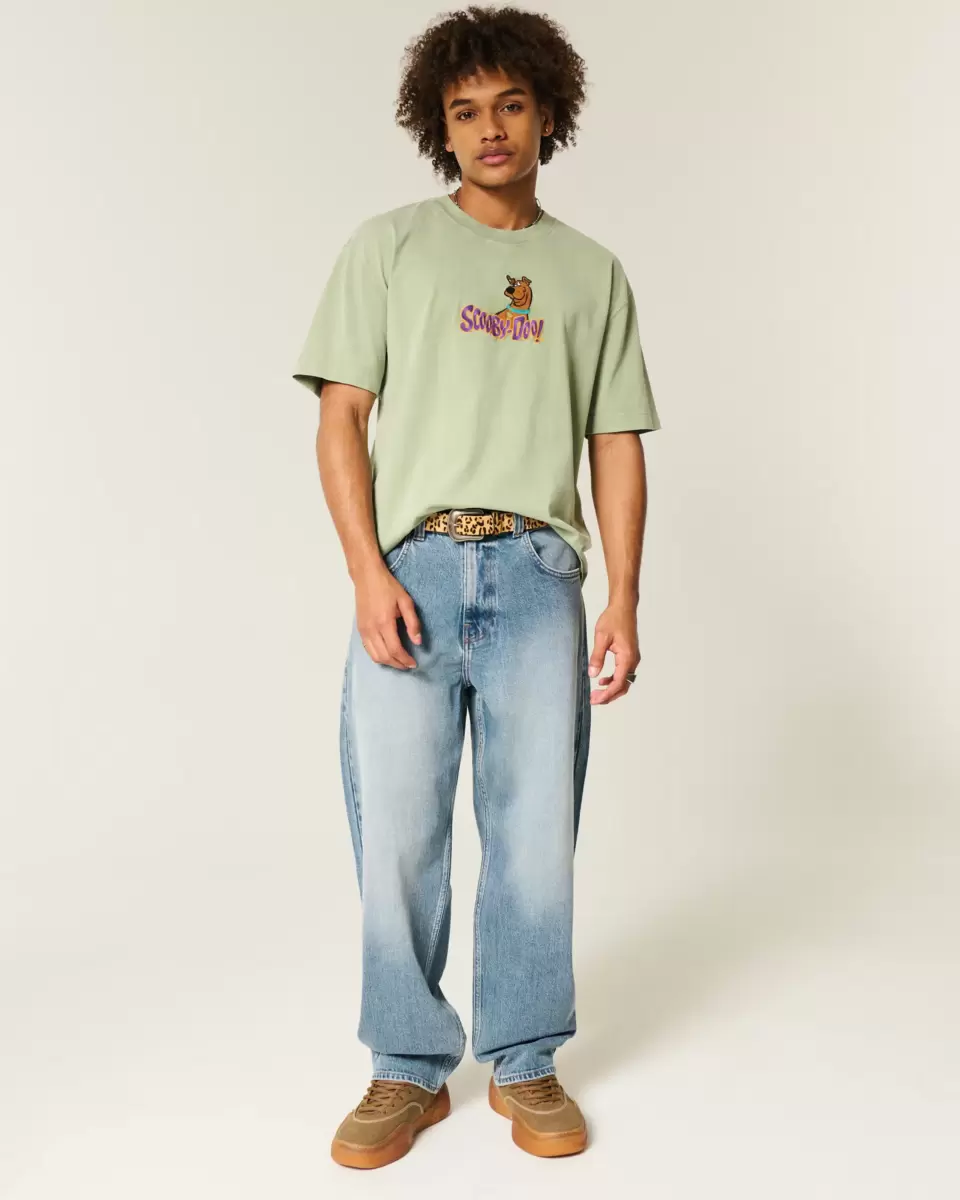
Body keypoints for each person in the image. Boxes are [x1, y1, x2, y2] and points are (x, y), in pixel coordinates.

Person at [291, 3, 660, 1169]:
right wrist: (366, 572)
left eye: (510, 104)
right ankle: (406, 1067)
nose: (489, 127)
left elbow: (615, 441)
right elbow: (341, 418)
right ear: (438, 128)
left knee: (535, 830)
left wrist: (623, 595)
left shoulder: (591, 274)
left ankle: (526, 1055)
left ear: (548, 115)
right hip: (411, 571)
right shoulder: (390, 247)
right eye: (464, 110)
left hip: (541, 573)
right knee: (398, 830)